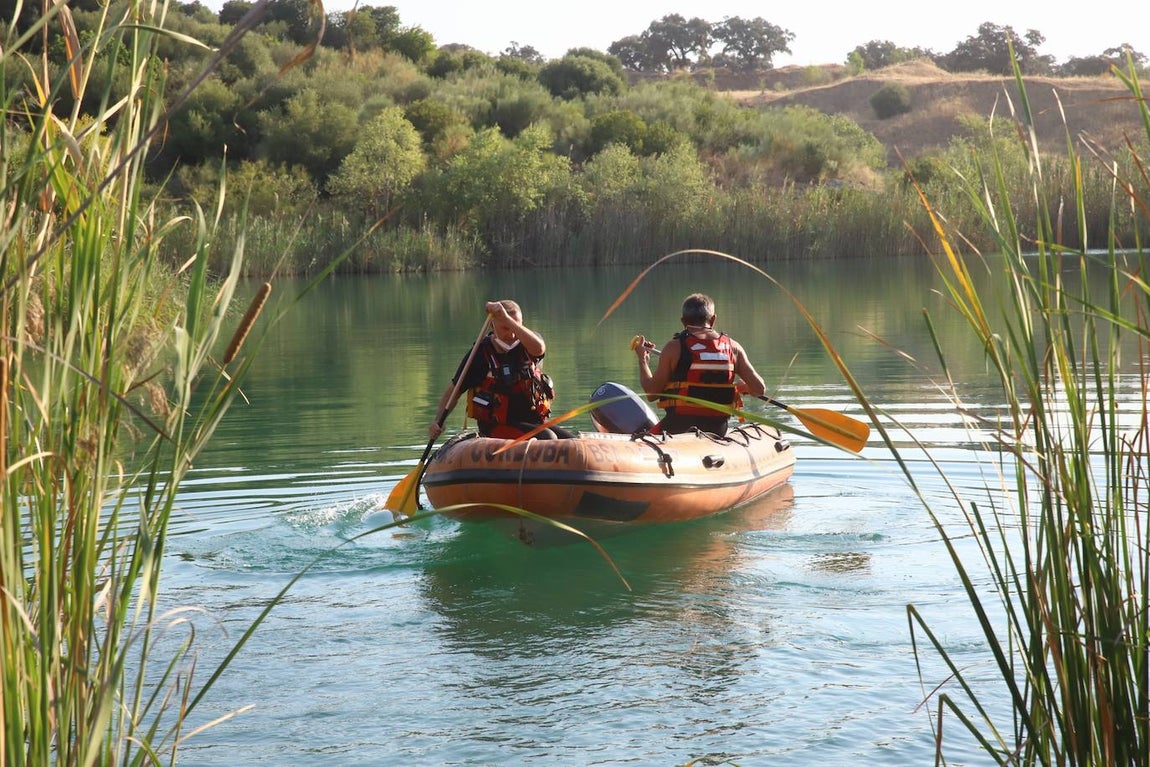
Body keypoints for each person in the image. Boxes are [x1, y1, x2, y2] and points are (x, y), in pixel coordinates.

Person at [429, 300, 568, 440]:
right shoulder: (479, 354)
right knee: (548, 438)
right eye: (505, 328)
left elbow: (539, 349)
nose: (512, 334)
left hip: (532, 422)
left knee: (570, 440)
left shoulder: (528, 343)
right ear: (492, 325)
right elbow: (454, 390)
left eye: (515, 326)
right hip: (497, 426)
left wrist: (507, 320)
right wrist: (438, 420)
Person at [632, 292, 765, 437]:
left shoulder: (673, 348)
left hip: (676, 429)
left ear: (683, 321)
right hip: (717, 430)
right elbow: (759, 389)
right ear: (713, 320)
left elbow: (651, 394)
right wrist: (745, 387)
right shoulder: (734, 348)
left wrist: (643, 360)